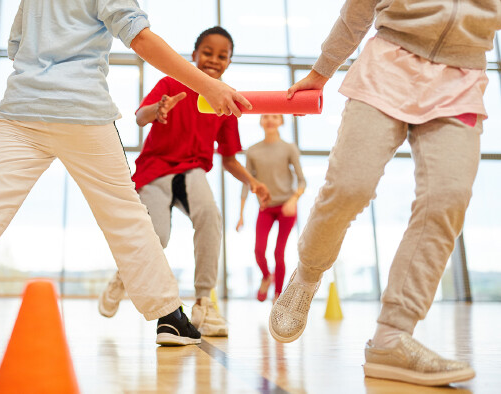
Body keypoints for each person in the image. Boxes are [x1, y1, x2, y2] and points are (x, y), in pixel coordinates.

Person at [0, 0, 254, 359]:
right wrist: (208, 84)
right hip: (82, 110)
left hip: (22, 110)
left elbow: (16, 45)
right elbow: (139, 37)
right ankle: (169, 315)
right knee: (124, 215)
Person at [268, 0, 500, 386]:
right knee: (349, 188)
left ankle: (392, 334)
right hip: (390, 61)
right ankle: (307, 274)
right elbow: (358, 9)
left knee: (447, 199)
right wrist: (321, 71)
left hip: (462, 76)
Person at [98, 26, 270, 337]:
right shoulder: (170, 82)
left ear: (229, 62)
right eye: (207, 53)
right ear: (194, 55)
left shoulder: (225, 102)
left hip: (192, 171)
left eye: (222, 56)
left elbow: (229, 158)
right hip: (155, 170)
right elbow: (140, 117)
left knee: (210, 218)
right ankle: (123, 277)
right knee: (157, 238)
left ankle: (204, 302)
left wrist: (253, 182)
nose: (214, 60)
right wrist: (158, 108)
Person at [236, 114, 305, 303]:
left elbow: (301, 180)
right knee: (259, 250)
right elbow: (246, 183)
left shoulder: (289, 148)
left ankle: (277, 296)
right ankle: (267, 276)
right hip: (266, 207)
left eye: (275, 117)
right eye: (265, 116)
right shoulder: (252, 151)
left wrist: (294, 199)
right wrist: (241, 214)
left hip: (286, 207)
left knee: (278, 252)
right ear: (260, 122)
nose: (270, 120)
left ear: (282, 122)